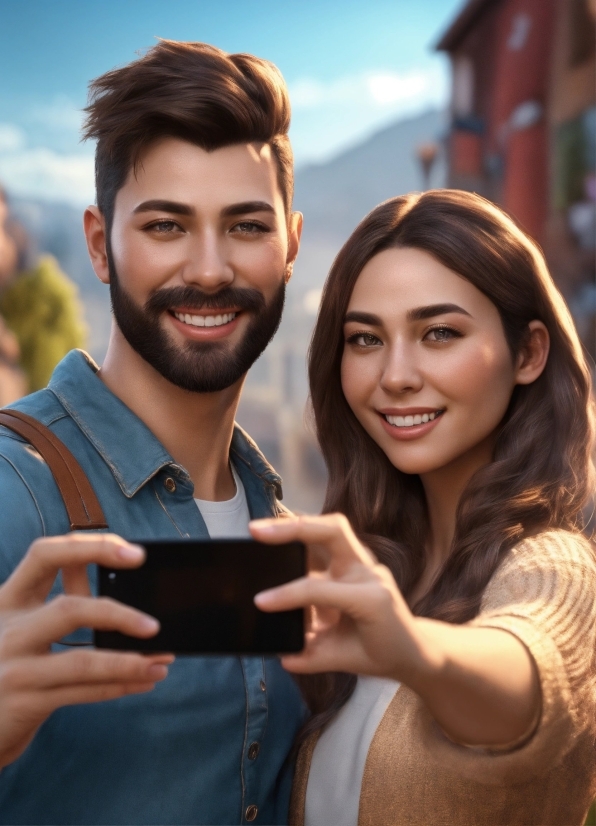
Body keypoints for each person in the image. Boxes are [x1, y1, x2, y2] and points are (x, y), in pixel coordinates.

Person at [0, 40, 303, 825]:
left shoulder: (282, 527)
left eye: (244, 226)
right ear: (101, 245)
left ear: (291, 245)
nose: (208, 269)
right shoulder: (12, 494)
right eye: (167, 226)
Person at [249, 189, 596, 825]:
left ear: (528, 353)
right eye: (364, 339)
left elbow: (530, 677)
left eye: (439, 332)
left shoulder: (557, 562)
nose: (396, 375)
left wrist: (411, 648)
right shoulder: (380, 569)